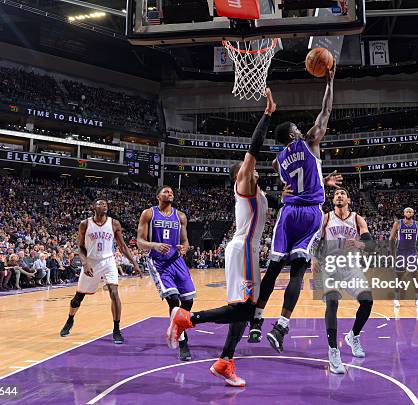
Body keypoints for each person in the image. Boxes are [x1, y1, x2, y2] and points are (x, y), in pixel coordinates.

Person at [165, 88, 276, 387]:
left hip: (245, 251)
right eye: (245, 167)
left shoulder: (261, 193)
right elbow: (253, 149)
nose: (250, 167)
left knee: (244, 310)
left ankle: (225, 360)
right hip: (243, 250)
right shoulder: (244, 185)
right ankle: (188, 319)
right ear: (239, 174)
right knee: (244, 308)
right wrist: (267, 115)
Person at [248, 62, 336, 352]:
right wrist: (330, 82)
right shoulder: (309, 142)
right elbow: (325, 114)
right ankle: (281, 328)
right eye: (297, 128)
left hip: (287, 213)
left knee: (272, 270)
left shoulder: (279, 159)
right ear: (293, 134)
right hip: (310, 213)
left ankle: (257, 322)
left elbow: (276, 166)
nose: (302, 128)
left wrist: (316, 179)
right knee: (298, 271)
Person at [59, 200, 140, 344]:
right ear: (93, 208)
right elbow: (80, 246)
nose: (104, 205)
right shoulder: (85, 224)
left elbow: (122, 246)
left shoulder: (114, 223)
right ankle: (70, 319)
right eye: (100, 204)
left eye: (105, 204)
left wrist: (134, 263)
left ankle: (116, 329)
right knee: (78, 298)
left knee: (114, 293)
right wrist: (85, 263)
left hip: (108, 261)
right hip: (91, 261)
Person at [314, 188, 374, 374]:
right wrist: (314, 258)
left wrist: (359, 244)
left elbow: (370, 246)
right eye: (336, 194)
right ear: (333, 200)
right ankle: (333, 351)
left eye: (343, 193)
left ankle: (353, 336)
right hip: (330, 266)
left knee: (367, 301)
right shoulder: (325, 218)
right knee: (332, 302)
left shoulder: (357, 219)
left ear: (348, 199)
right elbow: (316, 241)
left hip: (350, 267)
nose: (339, 195)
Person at [137, 185, 195, 361]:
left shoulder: (181, 216)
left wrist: (184, 248)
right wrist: (155, 245)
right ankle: (183, 342)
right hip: (159, 262)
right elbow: (140, 241)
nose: (170, 194)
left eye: (171, 192)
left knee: (188, 300)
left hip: (177, 260)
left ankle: (176, 327)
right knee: (173, 299)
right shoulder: (149, 214)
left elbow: (185, 242)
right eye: (166, 192)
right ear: (158, 196)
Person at [390, 207, 418, 308]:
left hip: (412, 252)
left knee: (415, 275)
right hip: (400, 252)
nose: (409, 213)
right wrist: (392, 253)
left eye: (410, 211)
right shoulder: (397, 224)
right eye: (407, 211)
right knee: (399, 277)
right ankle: (396, 299)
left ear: (413, 213)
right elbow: (392, 239)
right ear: (404, 213)